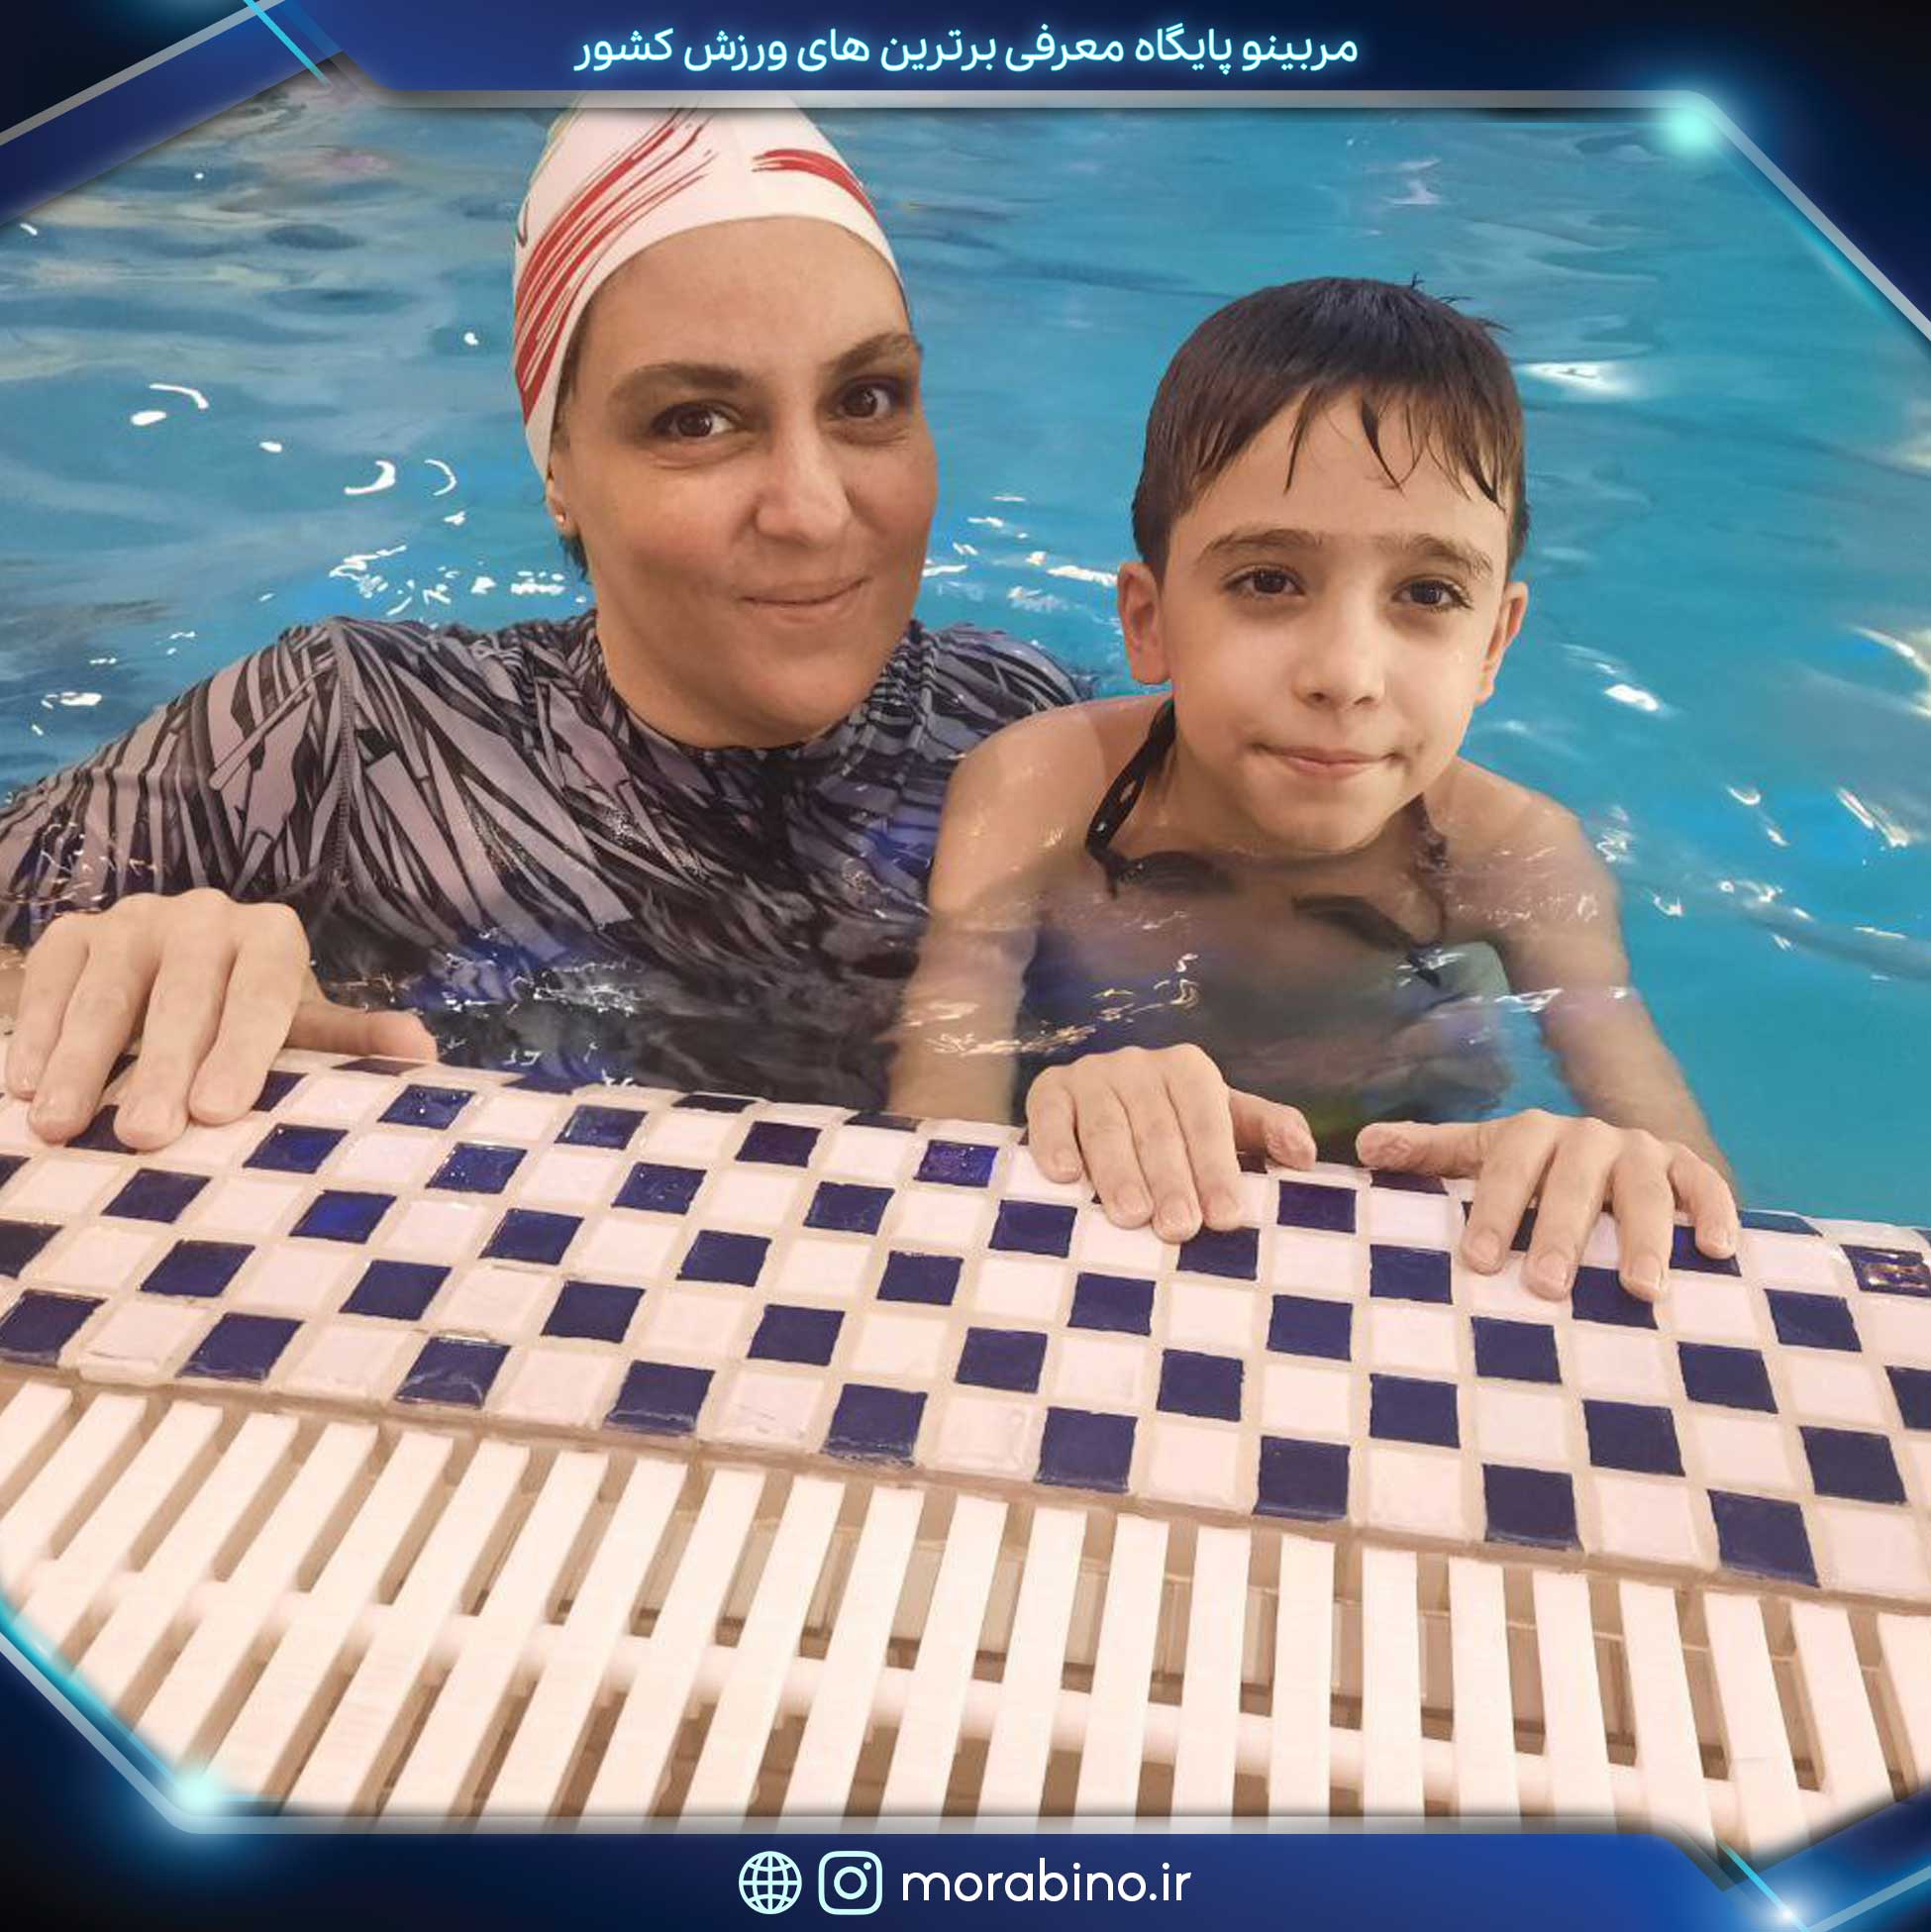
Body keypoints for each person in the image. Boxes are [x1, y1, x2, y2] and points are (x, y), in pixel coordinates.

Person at [0, 105, 1077, 1151]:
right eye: (696, 420)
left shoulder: (1023, 726)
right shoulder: (351, 732)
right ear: (558, 470)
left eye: (867, 399)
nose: (814, 509)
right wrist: (122, 966)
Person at [890, 277, 1740, 1301]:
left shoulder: (1517, 856)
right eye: (1269, 580)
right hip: (1100, 1147)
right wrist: (1056, 1101)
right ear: (1149, 622)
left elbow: (1695, 1197)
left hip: (1398, 1157)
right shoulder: (1037, 791)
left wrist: (1609, 1166)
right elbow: (933, 1136)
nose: (1346, 674)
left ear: (1493, 644)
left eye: (1428, 593)